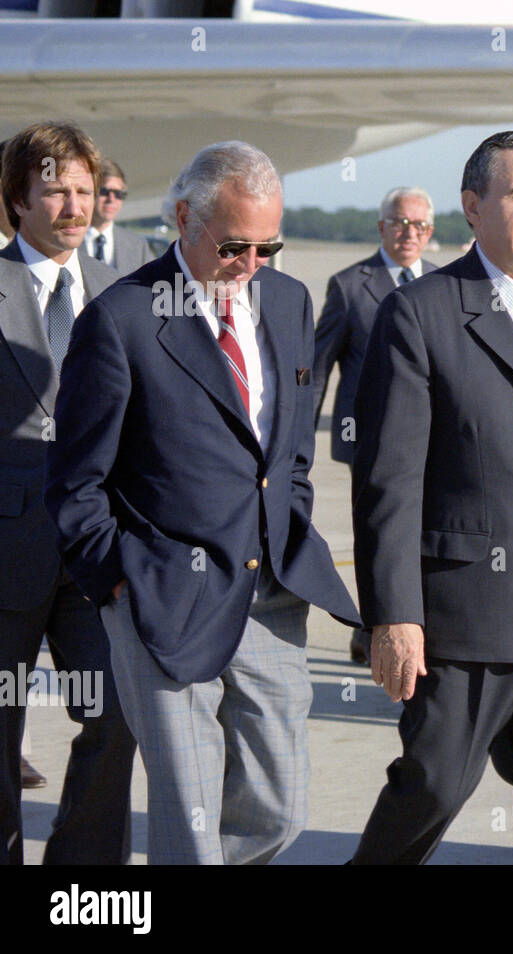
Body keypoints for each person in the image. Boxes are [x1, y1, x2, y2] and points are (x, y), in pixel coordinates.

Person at [44, 140, 360, 864]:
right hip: (162, 599)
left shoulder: (287, 300)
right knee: (189, 823)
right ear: (183, 217)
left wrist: (291, 517)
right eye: (235, 245)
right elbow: (75, 480)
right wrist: (119, 581)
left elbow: (289, 455)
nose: (250, 263)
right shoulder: (121, 319)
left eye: (267, 245)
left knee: (280, 810)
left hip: (271, 596)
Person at [349, 130, 513, 865]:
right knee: (430, 790)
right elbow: (388, 482)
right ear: (473, 206)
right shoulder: (421, 314)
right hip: (467, 617)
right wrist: (394, 616)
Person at [0, 123, 136, 865]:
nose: (75, 205)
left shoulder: (126, 294)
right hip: (5, 558)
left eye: (85, 191)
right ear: (17, 198)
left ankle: (80, 881)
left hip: (96, 556)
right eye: (56, 188)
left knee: (117, 716)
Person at [311, 186, 437, 665]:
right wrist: (299, 440)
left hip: (431, 440)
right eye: (400, 223)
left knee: (426, 533)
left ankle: (417, 622)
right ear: (382, 227)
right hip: (366, 440)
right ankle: (371, 625)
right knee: (377, 532)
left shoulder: (444, 282)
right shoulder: (349, 285)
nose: (410, 234)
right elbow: (319, 367)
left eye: (420, 226)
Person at [81, 159, 153, 273]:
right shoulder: (68, 240)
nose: (111, 199)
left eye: (118, 194)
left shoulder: (138, 246)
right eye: (104, 192)